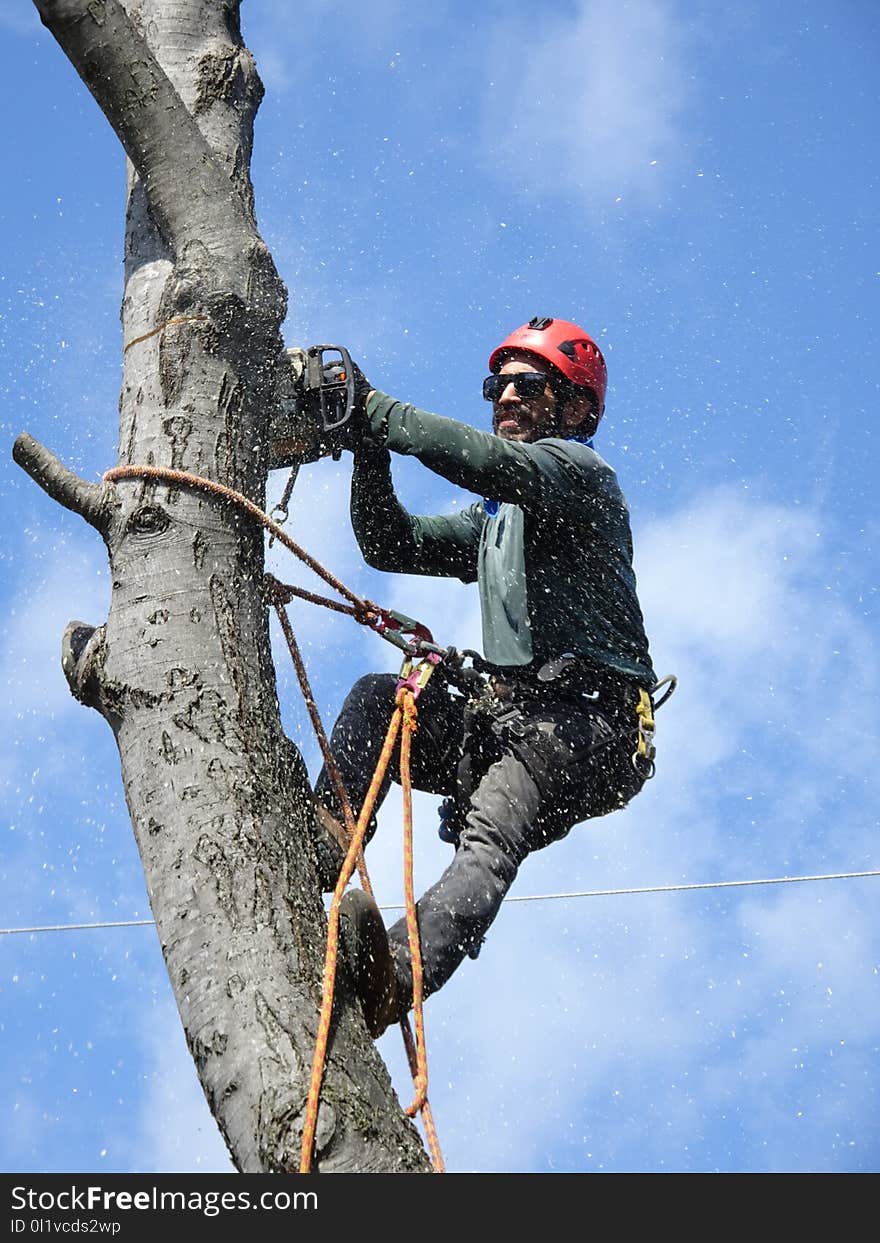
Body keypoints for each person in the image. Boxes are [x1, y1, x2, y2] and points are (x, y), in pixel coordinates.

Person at [312, 316, 657, 1038]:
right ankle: (327, 834)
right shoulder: (498, 520)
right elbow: (389, 541)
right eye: (495, 385)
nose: (504, 397)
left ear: (575, 410)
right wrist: (367, 450)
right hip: (516, 713)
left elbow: (490, 464)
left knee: (491, 831)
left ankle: (396, 976)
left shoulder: (580, 478)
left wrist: (378, 411)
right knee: (381, 701)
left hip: (590, 724)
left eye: (526, 386)